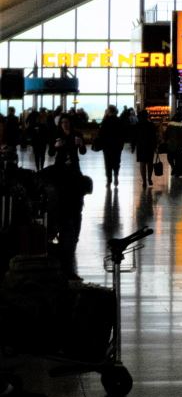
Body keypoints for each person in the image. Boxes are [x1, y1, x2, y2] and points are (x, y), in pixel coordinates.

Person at [44, 118, 90, 275]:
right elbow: (50, 152)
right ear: (60, 124)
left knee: (74, 197)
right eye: (63, 123)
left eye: (67, 122)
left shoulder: (76, 135)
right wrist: (55, 147)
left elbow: (83, 151)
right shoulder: (57, 136)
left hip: (74, 169)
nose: (65, 125)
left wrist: (81, 144)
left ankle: (73, 215)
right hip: (60, 169)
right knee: (62, 196)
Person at [96, 105, 125, 187]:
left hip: (107, 146)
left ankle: (109, 180)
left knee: (108, 163)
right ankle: (116, 176)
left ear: (109, 111)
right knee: (116, 162)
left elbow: (100, 133)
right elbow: (123, 133)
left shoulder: (106, 121)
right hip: (117, 145)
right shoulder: (119, 120)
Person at [134, 106, 159, 187]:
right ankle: (149, 178)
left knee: (142, 164)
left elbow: (134, 136)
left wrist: (133, 145)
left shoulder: (137, 125)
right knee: (150, 163)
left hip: (141, 146)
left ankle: (144, 181)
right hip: (149, 146)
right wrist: (155, 146)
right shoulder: (151, 125)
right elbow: (154, 136)